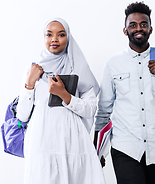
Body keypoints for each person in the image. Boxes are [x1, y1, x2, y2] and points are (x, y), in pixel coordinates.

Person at [94, 2, 155, 184]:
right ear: (125, 30)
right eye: (133, 25)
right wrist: (97, 151)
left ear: (151, 29)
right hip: (125, 148)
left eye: (143, 24)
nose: (139, 29)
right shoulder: (113, 64)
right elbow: (104, 112)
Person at [17, 18, 106, 184]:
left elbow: (90, 110)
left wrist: (65, 95)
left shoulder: (78, 68)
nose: (54, 39)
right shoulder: (33, 71)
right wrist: (29, 84)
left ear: (68, 38)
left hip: (72, 141)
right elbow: (21, 116)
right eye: (49, 34)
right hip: (41, 141)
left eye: (61, 34)